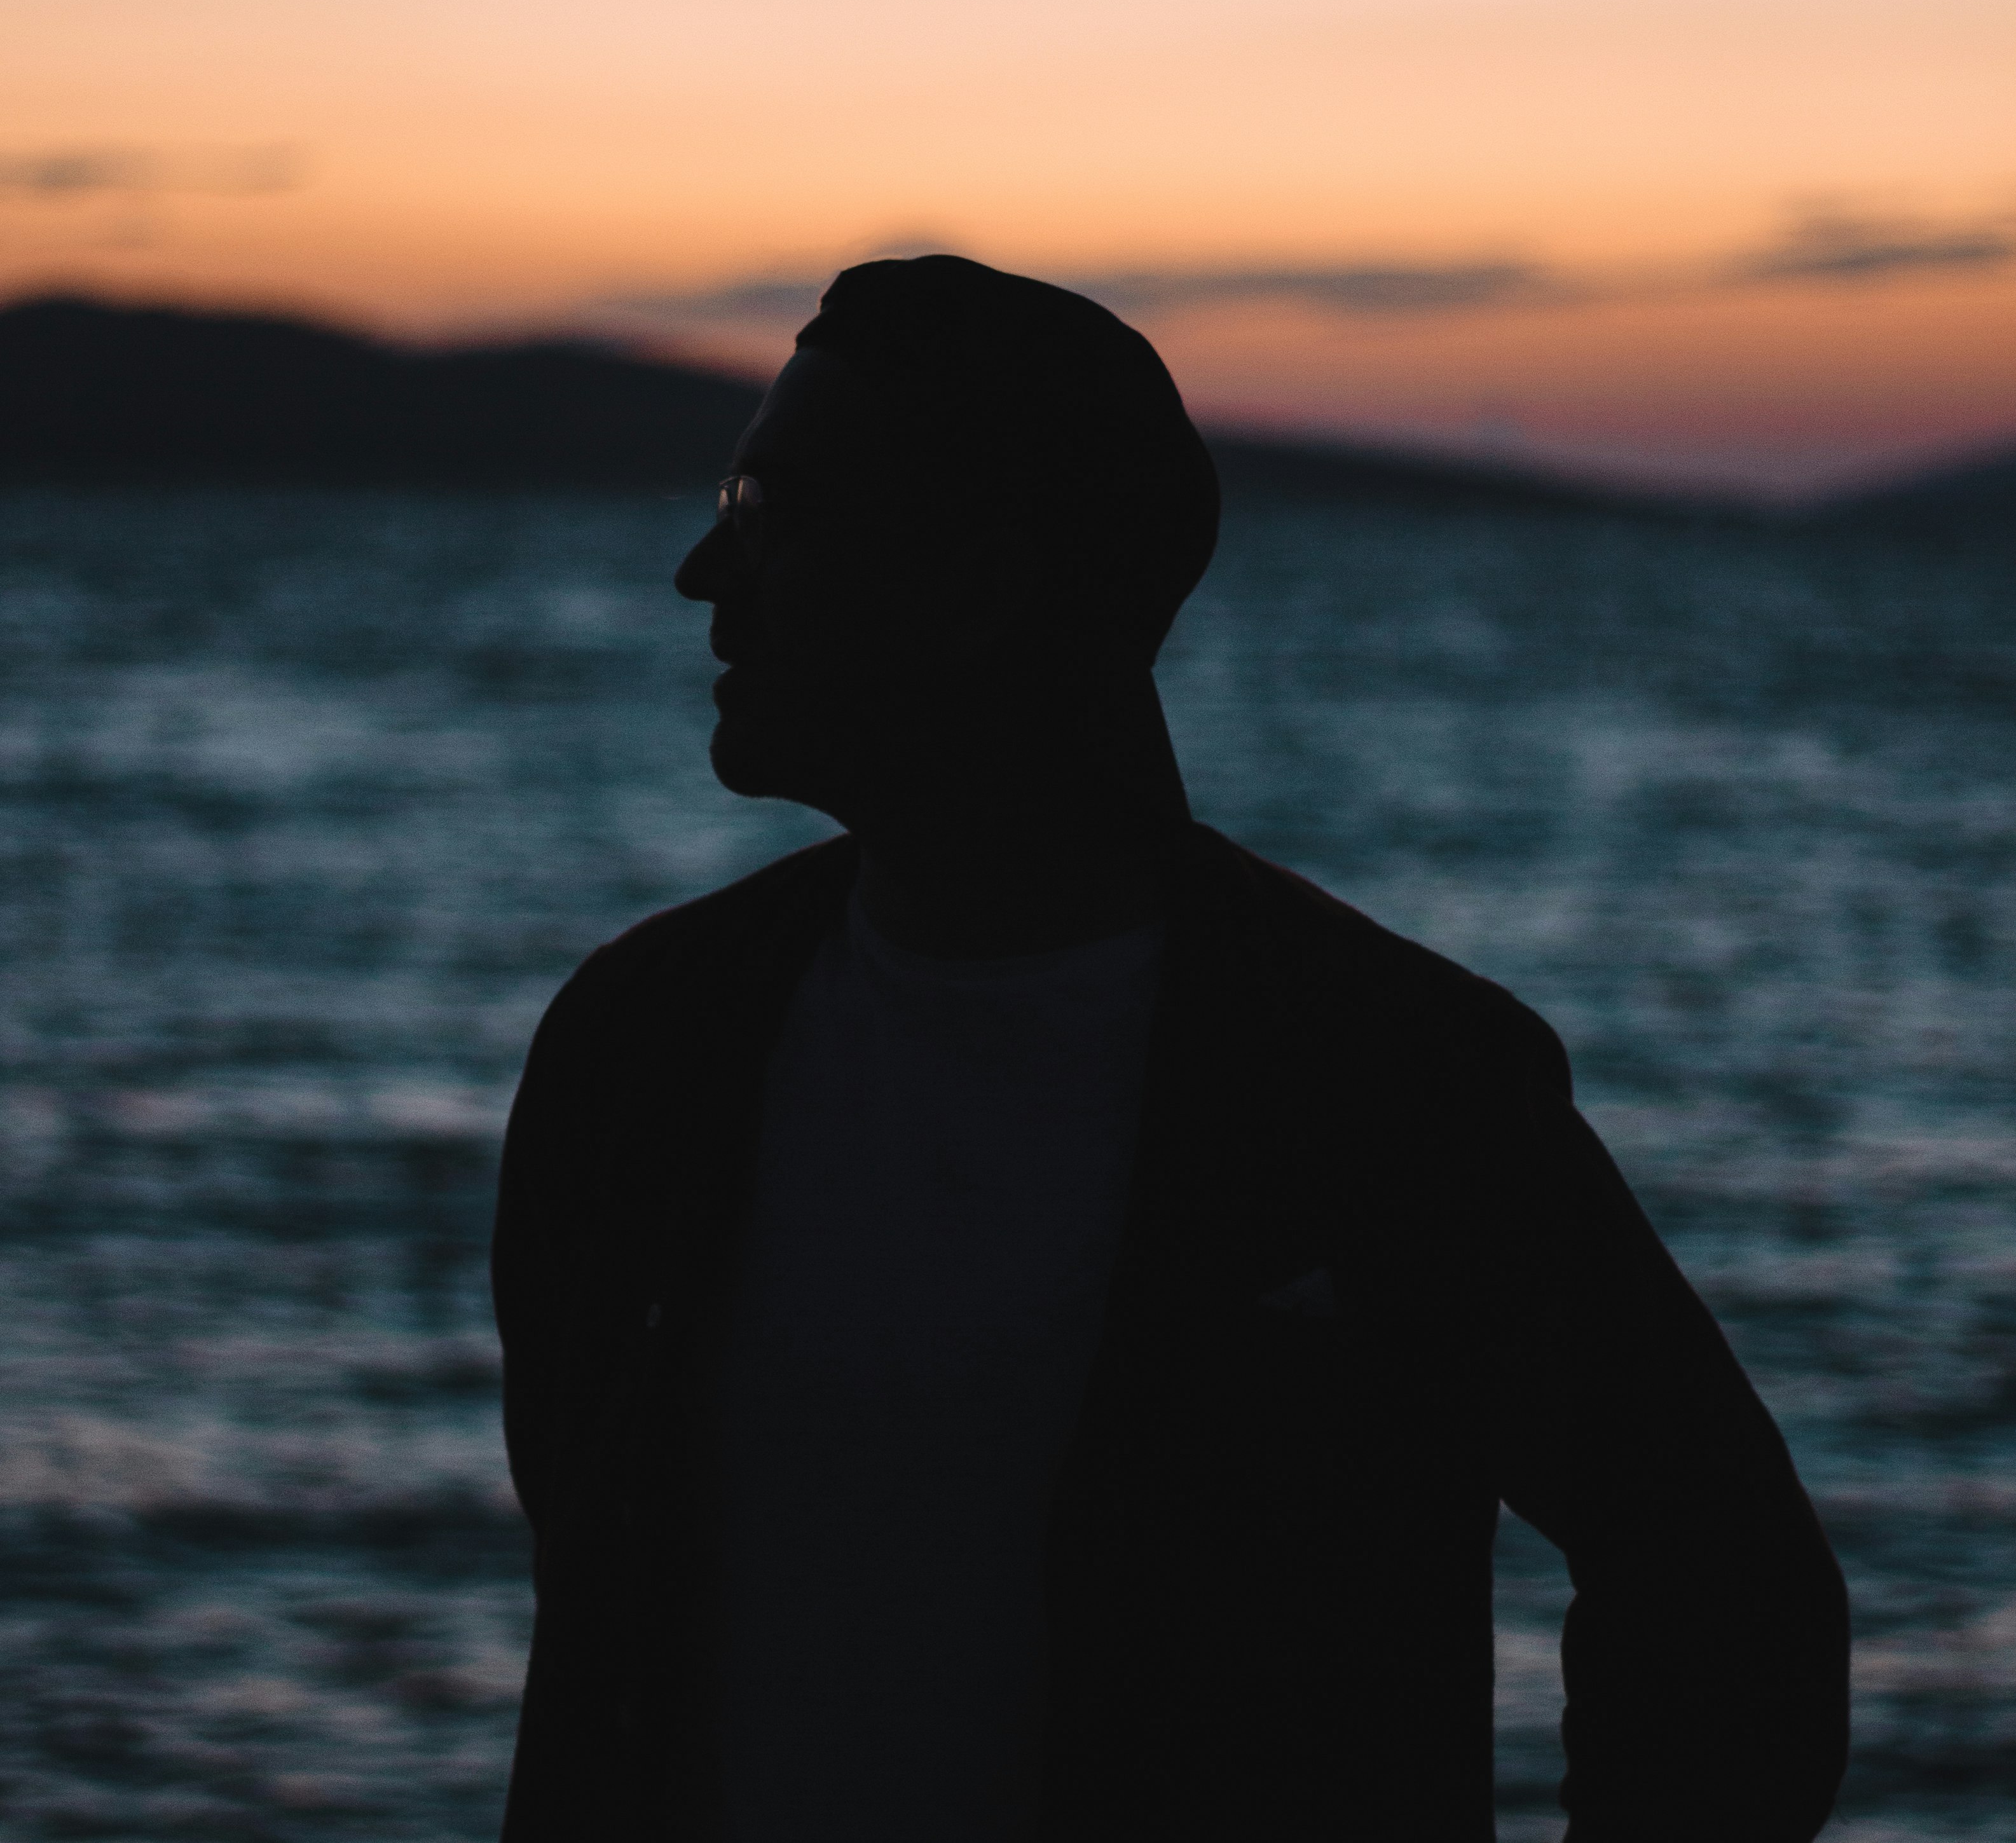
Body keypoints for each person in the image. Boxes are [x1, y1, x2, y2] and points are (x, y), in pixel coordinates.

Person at [491, 256, 1849, 1842]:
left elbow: (1719, 1585)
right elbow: (604, 1638)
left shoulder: (1383, 1077)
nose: (700, 573)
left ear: (977, 574)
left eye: (768, 506)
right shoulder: (644, 1044)